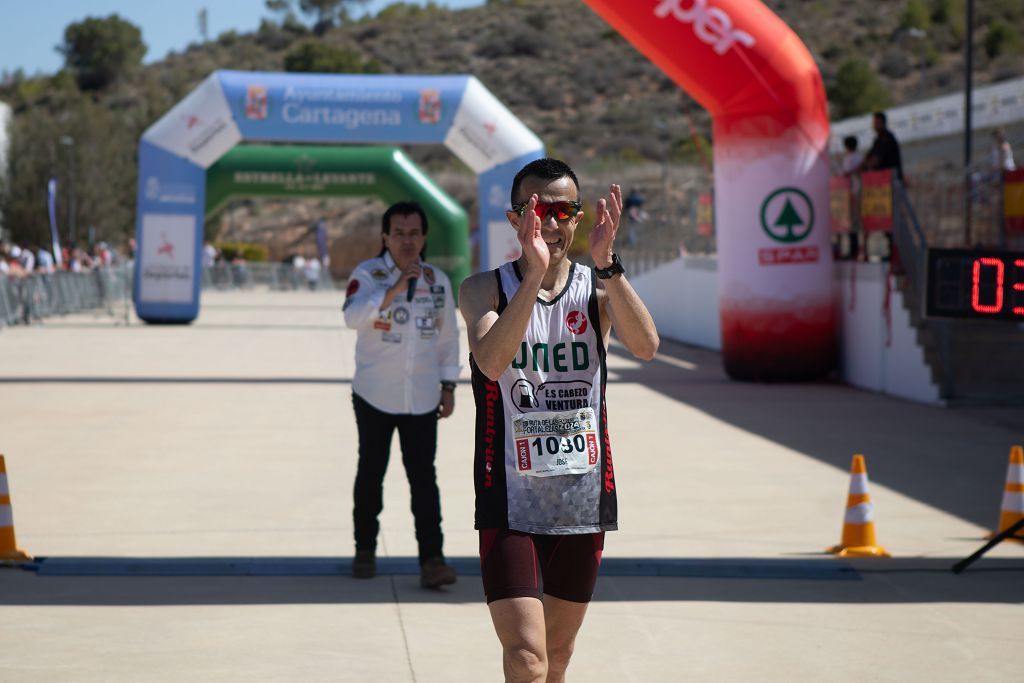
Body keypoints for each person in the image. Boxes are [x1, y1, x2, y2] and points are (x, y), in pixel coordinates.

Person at [458, 158, 659, 683]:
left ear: (578, 217)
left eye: (563, 210)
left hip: (581, 494)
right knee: (527, 656)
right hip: (508, 494)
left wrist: (609, 264)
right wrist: (534, 274)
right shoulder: (484, 289)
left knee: (558, 655)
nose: (550, 221)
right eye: (538, 210)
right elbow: (493, 361)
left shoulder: (597, 290)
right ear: (514, 217)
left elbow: (646, 345)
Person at [342, 200, 461, 589]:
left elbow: (448, 338)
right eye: (399, 234)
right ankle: (364, 551)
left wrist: (448, 386)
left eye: (414, 234)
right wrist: (392, 291)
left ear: (424, 237)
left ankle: (433, 560)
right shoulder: (368, 274)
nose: (407, 241)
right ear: (385, 237)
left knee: (424, 480)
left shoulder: (438, 281)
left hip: (423, 398)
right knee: (371, 474)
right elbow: (352, 318)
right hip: (374, 395)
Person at [858, 111, 903, 182]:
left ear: (883, 123)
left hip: (891, 178)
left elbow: (876, 159)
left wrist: (864, 168)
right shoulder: (878, 139)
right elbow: (869, 156)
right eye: (874, 123)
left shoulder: (887, 138)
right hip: (883, 178)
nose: (874, 126)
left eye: (876, 123)